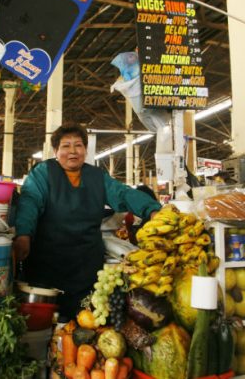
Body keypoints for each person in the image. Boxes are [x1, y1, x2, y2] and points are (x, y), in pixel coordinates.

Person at [14, 123, 161, 319]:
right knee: (46, 322)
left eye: (78, 145)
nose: (73, 151)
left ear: (85, 149)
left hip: (85, 267)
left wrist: (152, 210)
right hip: (47, 265)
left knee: (84, 323)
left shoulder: (97, 177)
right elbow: (30, 201)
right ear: (55, 150)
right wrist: (24, 234)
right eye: (66, 146)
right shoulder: (43, 173)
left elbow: (122, 194)